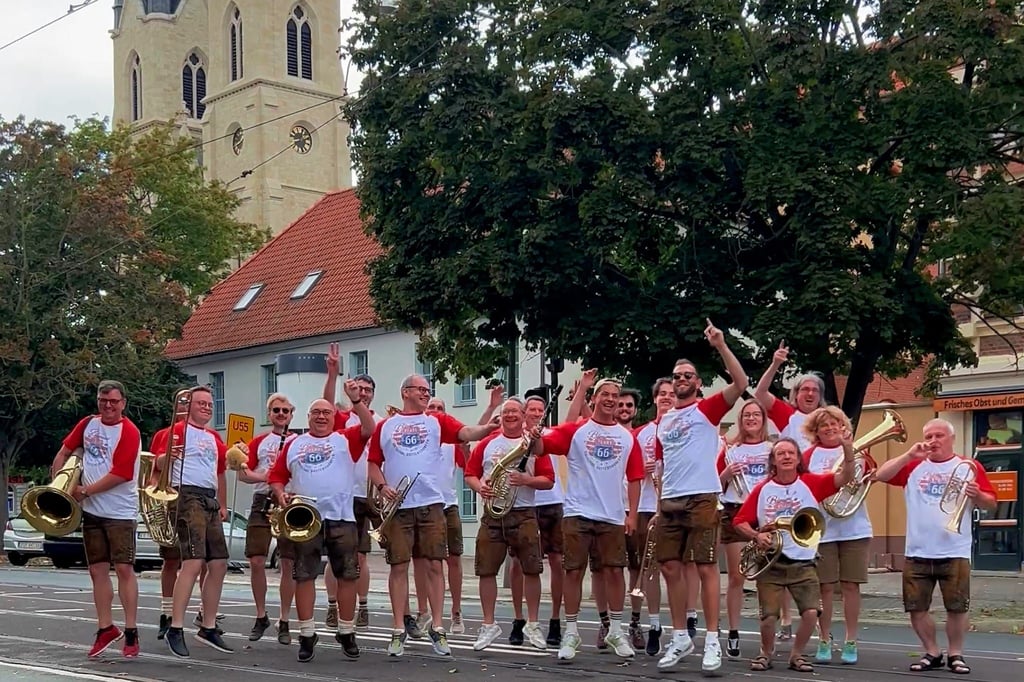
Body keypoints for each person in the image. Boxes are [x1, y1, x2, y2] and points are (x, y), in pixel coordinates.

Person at [367, 374, 499, 657]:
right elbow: (373, 463)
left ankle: (438, 627)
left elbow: (466, 433)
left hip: (432, 504)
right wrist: (383, 486)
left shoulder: (436, 421)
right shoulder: (386, 426)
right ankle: (398, 629)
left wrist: (488, 428)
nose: (426, 394)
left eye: (428, 390)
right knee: (398, 567)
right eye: (421, 389)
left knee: (435, 565)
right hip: (399, 507)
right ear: (405, 392)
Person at [655, 319, 748, 672]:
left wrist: (720, 345)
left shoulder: (706, 410)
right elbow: (663, 467)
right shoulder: (664, 421)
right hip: (671, 501)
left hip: (703, 498)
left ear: (697, 383)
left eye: (688, 376)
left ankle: (711, 639)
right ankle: (680, 635)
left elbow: (741, 383)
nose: (681, 379)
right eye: (676, 376)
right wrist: (660, 504)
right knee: (669, 566)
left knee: (707, 567)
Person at [873, 418, 997, 675]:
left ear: (951, 439)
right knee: (916, 608)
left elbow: (991, 503)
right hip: (917, 550)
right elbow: (881, 475)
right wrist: (908, 455)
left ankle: (956, 654)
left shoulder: (969, 466)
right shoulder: (914, 465)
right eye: (928, 436)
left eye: (939, 435)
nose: (933, 441)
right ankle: (932, 651)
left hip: (955, 549)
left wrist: (978, 495)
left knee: (957, 607)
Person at [267, 387, 375, 662]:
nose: (321, 417)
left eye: (326, 412)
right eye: (316, 412)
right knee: (304, 576)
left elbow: (369, 427)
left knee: (347, 575)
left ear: (334, 417)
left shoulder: (345, 438)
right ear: (308, 417)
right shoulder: (294, 443)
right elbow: (276, 476)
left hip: (341, 517)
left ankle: (347, 631)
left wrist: (355, 400)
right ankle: (306, 634)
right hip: (305, 519)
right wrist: (280, 493)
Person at [542, 375, 645, 662]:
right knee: (573, 571)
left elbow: (635, 478)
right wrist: (534, 439)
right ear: (594, 399)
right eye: (605, 394)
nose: (611, 399)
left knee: (615, 571)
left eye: (615, 395)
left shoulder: (627, 437)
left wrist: (633, 514)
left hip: (612, 515)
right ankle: (571, 631)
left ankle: (616, 630)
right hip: (578, 512)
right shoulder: (578, 431)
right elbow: (546, 444)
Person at [733, 435, 855, 673]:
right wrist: (756, 535)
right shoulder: (763, 489)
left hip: (804, 561)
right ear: (773, 461)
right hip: (771, 561)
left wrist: (848, 450)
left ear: (799, 459)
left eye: (791, 453)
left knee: (811, 613)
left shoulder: (810, 482)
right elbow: (739, 521)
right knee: (769, 617)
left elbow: (845, 478)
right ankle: (765, 653)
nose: (786, 457)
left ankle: (796, 655)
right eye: (781, 454)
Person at [50, 380, 142, 658]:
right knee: (97, 570)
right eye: (103, 401)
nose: (108, 406)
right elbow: (65, 451)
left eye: (113, 401)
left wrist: (84, 491)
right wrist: (58, 485)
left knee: (124, 569)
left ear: (123, 403)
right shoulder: (88, 424)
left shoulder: (130, 431)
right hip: (92, 511)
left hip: (120, 511)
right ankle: (105, 628)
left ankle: (131, 630)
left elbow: (122, 473)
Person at [465, 397, 555, 650]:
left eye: (515, 411)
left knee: (532, 569)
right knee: (486, 570)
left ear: (524, 415)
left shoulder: (533, 444)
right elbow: (470, 474)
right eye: (506, 412)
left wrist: (526, 480)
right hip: (493, 514)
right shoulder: (488, 442)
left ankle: (533, 624)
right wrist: (480, 487)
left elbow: (549, 480)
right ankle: (488, 624)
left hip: (523, 513)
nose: (511, 416)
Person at [151, 385, 231, 658]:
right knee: (193, 562)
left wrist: (223, 503)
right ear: (189, 406)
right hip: (186, 495)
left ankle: (208, 625)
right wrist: (166, 458)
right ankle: (175, 626)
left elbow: (221, 470)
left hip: (209, 498)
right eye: (201, 403)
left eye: (209, 404)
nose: (206, 408)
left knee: (219, 563)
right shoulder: (177, 430)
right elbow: (157, 464)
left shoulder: (213, 437)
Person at [321, 345, 386, 631]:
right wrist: (332, 374)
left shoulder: (381, 422)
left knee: (361, 556)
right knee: (336, 556)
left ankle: (363, 605)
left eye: (368, 390)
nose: (363, 393)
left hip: (366, 494)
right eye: (359, 389)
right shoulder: (343, 418)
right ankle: (332, 604)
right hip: (342, 495)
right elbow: (325, 403)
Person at [801, 406, 872, 664]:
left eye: (835, 423)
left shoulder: (860, 452)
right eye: (824, 425)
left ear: (844, 426)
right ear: (816, 431)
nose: (830, 428)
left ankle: (851, 640)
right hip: (823, 527)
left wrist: (849, 453)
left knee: (851, 585)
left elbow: (862, 481)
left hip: (854, 527)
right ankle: (824, 638)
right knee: (825, 587)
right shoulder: (808, 456)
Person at [233, 393, 298, 644]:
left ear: (291, 414)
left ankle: (285, 619)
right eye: (276, 410)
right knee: (257, 559)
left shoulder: (298, 441)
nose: (281, 414)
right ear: (269, 414)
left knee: (288, 562)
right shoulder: (259, 441)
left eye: (285, 411)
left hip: (288, 501)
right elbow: (242, 474)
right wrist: (266, 476)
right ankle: (261, 615)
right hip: (262, 500)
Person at [716, 398, 772, 659]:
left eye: (756, 414)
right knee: (737, 577)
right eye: (746, 415)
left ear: (763, 419)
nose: (751, 419)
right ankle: (734, 632)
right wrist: (726, 473)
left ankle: (766, 634)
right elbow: (715, 485)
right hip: (735, 511)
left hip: (765, 514)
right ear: (741, 420)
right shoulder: (731, 450)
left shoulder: (772, 448)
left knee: (766, 578)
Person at [509, 393, 565, 647]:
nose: (536, 413)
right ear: (524, 412)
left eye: (540, 410)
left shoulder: (551, 433)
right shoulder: (515, 436)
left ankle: (555, 619)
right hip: (525, 505)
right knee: (519, 563)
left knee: (557, 561)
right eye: (532, 409)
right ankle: (519, 619)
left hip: (552, 502)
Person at [628, 377, 675, 656]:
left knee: (677, 568)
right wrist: (642, 469)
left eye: (672, 394)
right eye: (662, 394)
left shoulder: (682, 429)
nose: (667, 398)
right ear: (655, 399)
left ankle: (686, 621)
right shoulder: (641, 433)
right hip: (648, 505)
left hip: (675, 504)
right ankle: (654, 624)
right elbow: (628, 471)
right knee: (650, 568)